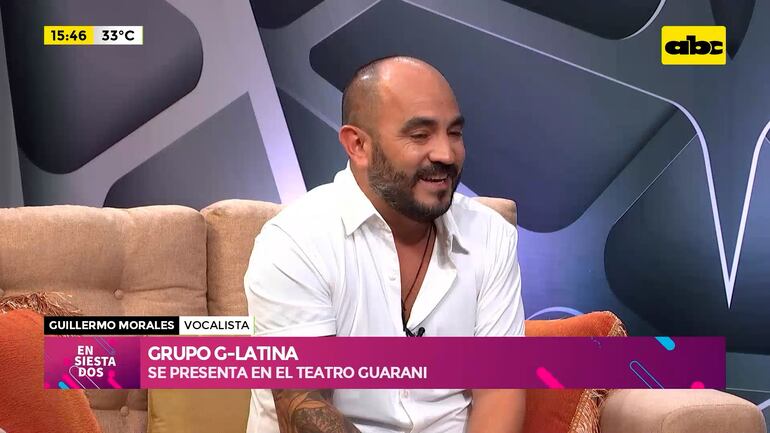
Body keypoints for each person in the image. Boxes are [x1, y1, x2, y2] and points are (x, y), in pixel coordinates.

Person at [244, 56, 525, 433]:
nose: (446, 154)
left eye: (454, 133)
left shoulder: (491, 235)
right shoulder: (295, 243)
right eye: (420, 135)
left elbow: (500, 391)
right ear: (358, 145)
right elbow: (306, 407)